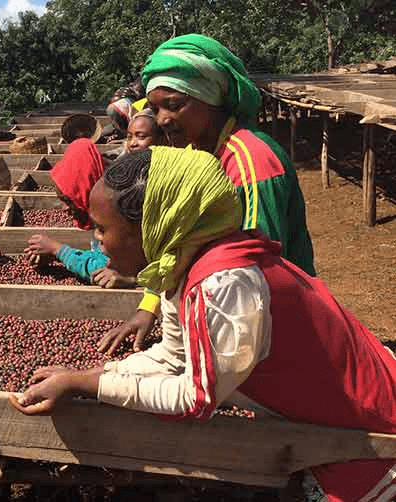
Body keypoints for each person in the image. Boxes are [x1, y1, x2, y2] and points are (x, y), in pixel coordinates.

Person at [13, 146, 396, 502]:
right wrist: (93, 374)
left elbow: (195, 398)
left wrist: (85, 383)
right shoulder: (181, 260)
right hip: (329, 413)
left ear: (151, 225)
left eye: (102, 229)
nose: (97, 242)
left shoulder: (223, 284)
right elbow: (173, 354)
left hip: (371, 435)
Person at [99, 33, 316, 355]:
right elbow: (182, 239)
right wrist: (149, 306)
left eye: (174, 105)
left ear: (211, 97)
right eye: (156, 108)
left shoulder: (251, 162)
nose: (163, 120)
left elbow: (260, 270)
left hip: (274, 323)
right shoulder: (195, 150)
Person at [24, 139, 134, 288]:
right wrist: (55, 255)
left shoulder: (118, 214)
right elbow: (98, 255)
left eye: (69, 200)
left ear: (86, 190)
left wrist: (58, 250)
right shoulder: (100, 209)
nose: (63, 208)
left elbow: (104, 268)